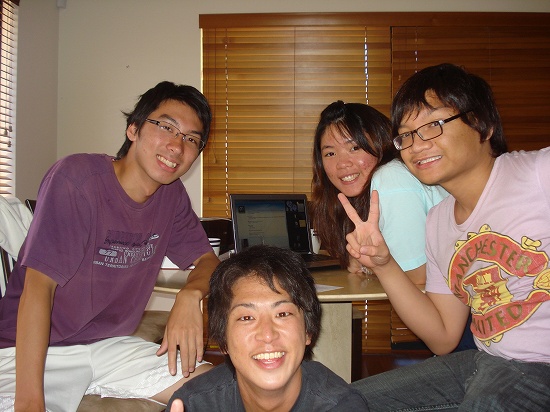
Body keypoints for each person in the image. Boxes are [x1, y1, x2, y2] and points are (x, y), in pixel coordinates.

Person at [0, 81, 220, 411]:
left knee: (220, 391)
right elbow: (38, 287)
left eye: (191, 139)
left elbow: (208, 262)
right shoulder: (77, 179)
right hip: (31, 353)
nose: (177, 146)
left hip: (110, 348)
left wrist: (190, 296)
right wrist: (30, 401)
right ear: (133, 129)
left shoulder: (171, 195)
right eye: (166, 127)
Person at [343, 63, 550, 410]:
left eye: (433, 125)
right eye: (406, 135)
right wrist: (383, 264)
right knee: (344, 401)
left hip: (540, 366)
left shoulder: (538, 174)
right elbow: (442, 336)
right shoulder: (439, 221)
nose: (416, 145)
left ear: (482, 124)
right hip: (485, 361)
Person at [166, 244, 368, 411]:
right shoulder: (192, 404)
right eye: (246, 317)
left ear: (308, 331)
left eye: (282, 314)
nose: (267, 335)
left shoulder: (341, 406)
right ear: (223, 341)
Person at [309, 101, 448, 285]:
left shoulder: (391, 177)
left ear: (381, 143)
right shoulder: (363, 197)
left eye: (355, 148)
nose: (342, 164)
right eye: (330, 154)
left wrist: (370, 266)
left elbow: (418, 275)